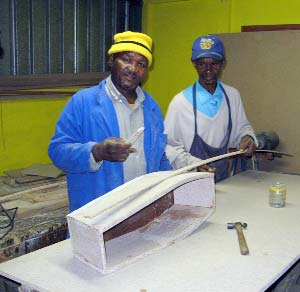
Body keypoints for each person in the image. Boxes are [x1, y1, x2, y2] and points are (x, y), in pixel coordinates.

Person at [48, 31, 172, 212]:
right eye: (127, 60)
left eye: (141, 64)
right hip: (98, 213)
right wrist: (97, 151)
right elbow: (57, 151)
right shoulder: (83, 102)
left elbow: (159, 157)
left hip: (142, 210)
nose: (133, 69)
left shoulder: (151, 107)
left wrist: (170, 184)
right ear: (111, 59)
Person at [164, 34, 257, 182]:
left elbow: (242, 129)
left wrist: (247, 138)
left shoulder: (232, 96)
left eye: (214, 63)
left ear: (223, 63)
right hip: (189, 181)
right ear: (193, 63)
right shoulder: (180, 103)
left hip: (222, 180)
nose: (208, 69)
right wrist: (194, 165)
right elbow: (169, 147)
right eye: (202, 64)